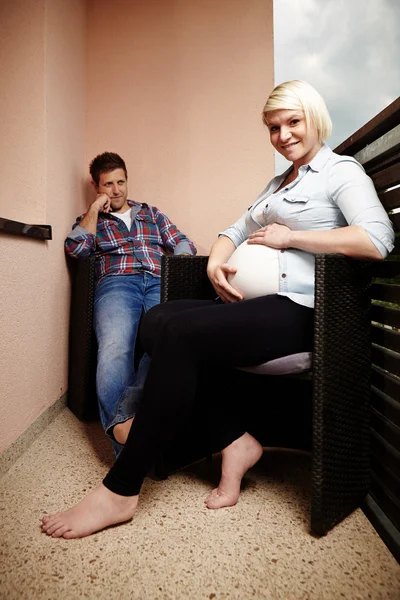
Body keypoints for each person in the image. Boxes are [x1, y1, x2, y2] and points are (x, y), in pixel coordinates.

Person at [42, 80, 394, 539]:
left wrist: (293, 237)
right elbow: (235, 227)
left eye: (293, 122)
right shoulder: (279, 182)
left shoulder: (339, 172)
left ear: (314, 118)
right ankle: (235, 440)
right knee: (157, 319)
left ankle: (121, 490)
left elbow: (377, 239)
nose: (283, 135)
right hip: (259, 305)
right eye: (273, 127)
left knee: (178, 334)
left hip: (304, 311)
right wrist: (216, 263)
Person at [64, 152, 197, 455]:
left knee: (166, 341)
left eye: (121, 181)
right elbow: (76, 248)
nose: (117, 189)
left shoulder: (151, 213)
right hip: (117, 283)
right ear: (97, 187)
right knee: (114, 348)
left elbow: (182, 241)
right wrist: (95, 209)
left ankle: (129, 418)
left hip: (157, 280)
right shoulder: (92, 220)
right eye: (108, 184)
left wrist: (181, 264)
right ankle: (128, 453)